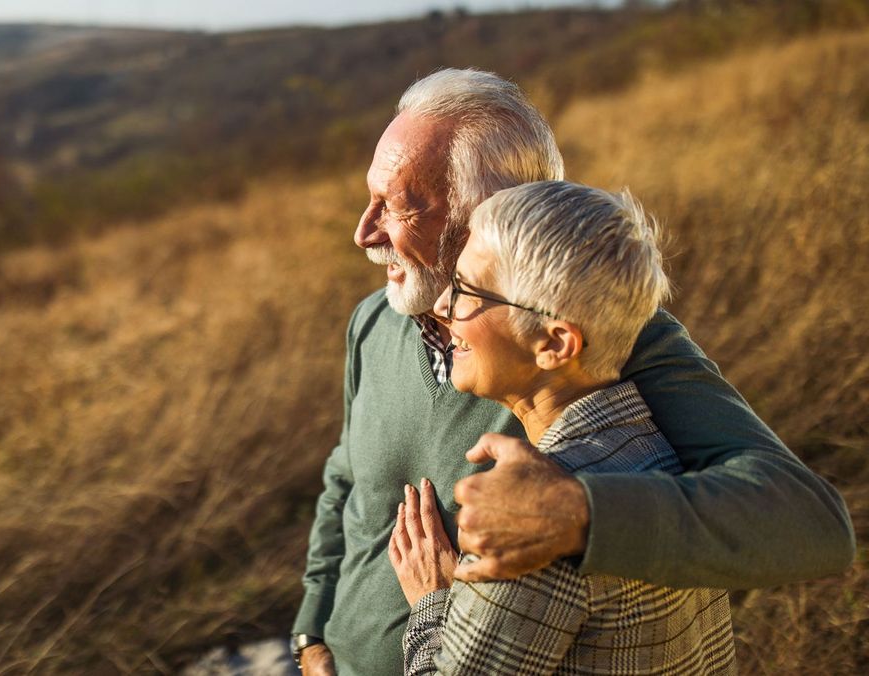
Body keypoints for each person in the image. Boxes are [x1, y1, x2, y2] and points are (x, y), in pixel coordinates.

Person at [290, 68, 854, 676]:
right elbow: (346, 482)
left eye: (398, 205)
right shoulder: (374, 320)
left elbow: (811, 525)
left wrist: (577, 513)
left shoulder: (608, 337)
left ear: (494, 211)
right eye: (370, 199)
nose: (363, 233)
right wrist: (311, 635)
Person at [390, 181, 734, 675]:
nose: (443, 308)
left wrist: (433, 601)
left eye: (466, 289)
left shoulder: (531, 525)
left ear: (554, 344)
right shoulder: (669, 451)